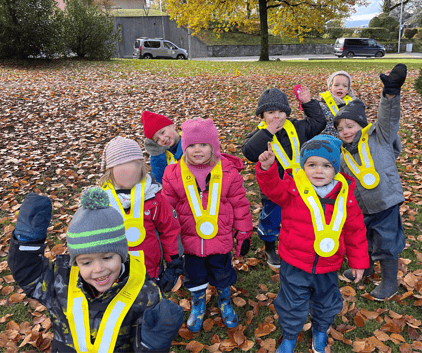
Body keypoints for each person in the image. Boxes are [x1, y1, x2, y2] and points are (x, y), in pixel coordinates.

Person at [8, 187, 184, 352]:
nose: (98, 269)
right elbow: (30, 276)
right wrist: (27, 244)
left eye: (107, 258)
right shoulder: (60, 282)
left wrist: (153, 344)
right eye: (86, 262)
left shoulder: (145, 293)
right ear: (75, 261)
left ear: (122, 254)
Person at [256, 135, 369, 353]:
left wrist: (358, 262)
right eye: (312, 165)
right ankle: (289, 336)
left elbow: (355, 231)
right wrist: (267, 168)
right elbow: (272, 190)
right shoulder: (293, 189)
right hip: (295, 261)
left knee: (327, 301)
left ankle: (320, 329)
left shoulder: (345, 195)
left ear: (335, 169)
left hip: (329, 264)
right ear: (303, 166)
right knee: (292, 302)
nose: (319, 171)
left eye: (326, 166)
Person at [162, 118, 253, 333]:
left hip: (220, 241)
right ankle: (198, 303)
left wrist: (243, 233)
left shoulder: (228, 172)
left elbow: (240, 204)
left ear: (213, 146)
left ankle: (224, 300)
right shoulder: (174, 174)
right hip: (190, 242)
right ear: (184, 147)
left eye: (203, 144)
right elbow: (168, 210)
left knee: (222, 273)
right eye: (191, 145)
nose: (197, 150)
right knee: (194, 276)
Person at [333, 63, 407, 301]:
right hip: (361, 207)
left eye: (350, 126)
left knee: (386, 242)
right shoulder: (342, 154)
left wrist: (390, 94)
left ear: (361, 124)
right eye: (340, 128)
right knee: (362, 240)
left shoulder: (379, 136)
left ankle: (388, 282)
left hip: (385, 201)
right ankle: (364, 270)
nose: (345, 131)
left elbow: (389, 115)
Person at [242, 86, 326, 267]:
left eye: (281, 112)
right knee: (272, 217)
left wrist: (308, 103)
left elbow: (319, 123)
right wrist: (267, 133)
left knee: (302, 217)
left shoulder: (298, 126)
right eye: (271, 112)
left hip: (302, 186)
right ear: (262, 116)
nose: (277, 116)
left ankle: (301, 243)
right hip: (274, 189)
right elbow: (249, 151)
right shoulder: (259, 135)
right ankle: (270, 246)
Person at [99, 136, 183, 293]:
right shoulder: (102, 202)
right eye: (121, 165)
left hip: (151, 271)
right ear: (110, 170)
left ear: (142, 166)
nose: (129, 170)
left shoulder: (154, 196)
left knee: (152, 309)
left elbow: (169, 229)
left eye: (134, 164)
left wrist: (173, 261)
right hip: (115, 274)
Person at [141, 111, 183, 184]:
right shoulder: (161, 155)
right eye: (157, 140)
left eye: (163, 132)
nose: (162, 139)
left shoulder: (190, 140)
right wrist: (156, 153)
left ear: (173, 126)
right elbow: (160, 181)